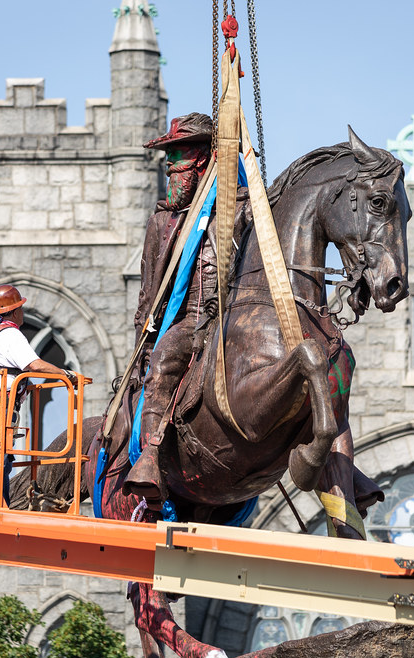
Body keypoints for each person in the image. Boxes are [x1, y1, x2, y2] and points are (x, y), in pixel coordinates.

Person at [125, 112, 249, 504]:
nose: (170, 171)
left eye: (176, 160)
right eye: (168, 162)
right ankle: (149, 458)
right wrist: (141, 350)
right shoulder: (162, 223)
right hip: (190, 323)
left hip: (236, 320)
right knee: (162, 367)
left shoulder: (243, 209)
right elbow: (148, 295)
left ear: (202, 163)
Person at [0, 284, 77, 506]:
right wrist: (66, 374)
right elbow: (34, 365)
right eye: (20, 308)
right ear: (14, 311)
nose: (22, 312)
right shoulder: (10, 334)